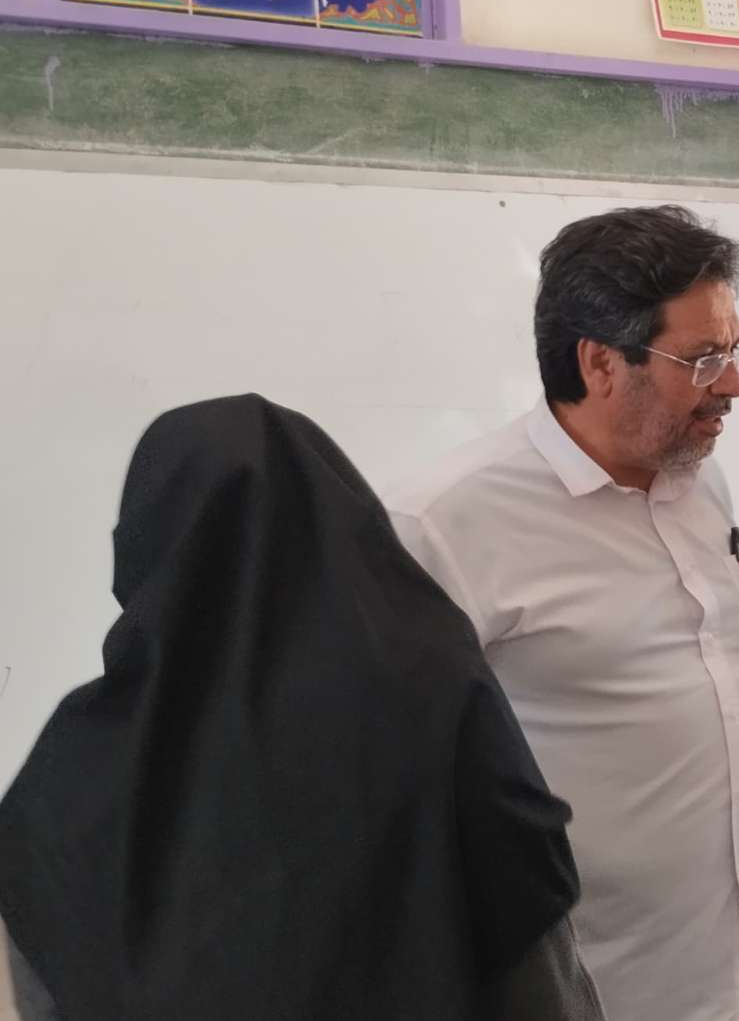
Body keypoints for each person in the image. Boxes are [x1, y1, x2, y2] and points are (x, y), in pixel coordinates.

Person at [0, 396, 597, 1021]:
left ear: (148, 539)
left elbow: (47, 978)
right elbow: (538, 970)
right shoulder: (436, 697)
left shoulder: (75, 769)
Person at [389, 206, 739, 1021]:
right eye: (703, 360)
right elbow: (388, 792)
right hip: (590, 996)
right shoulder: (443, 525)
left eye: (735, 352)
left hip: (735, 980)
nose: (733, 384)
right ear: (599, 362)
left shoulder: (701, 483)